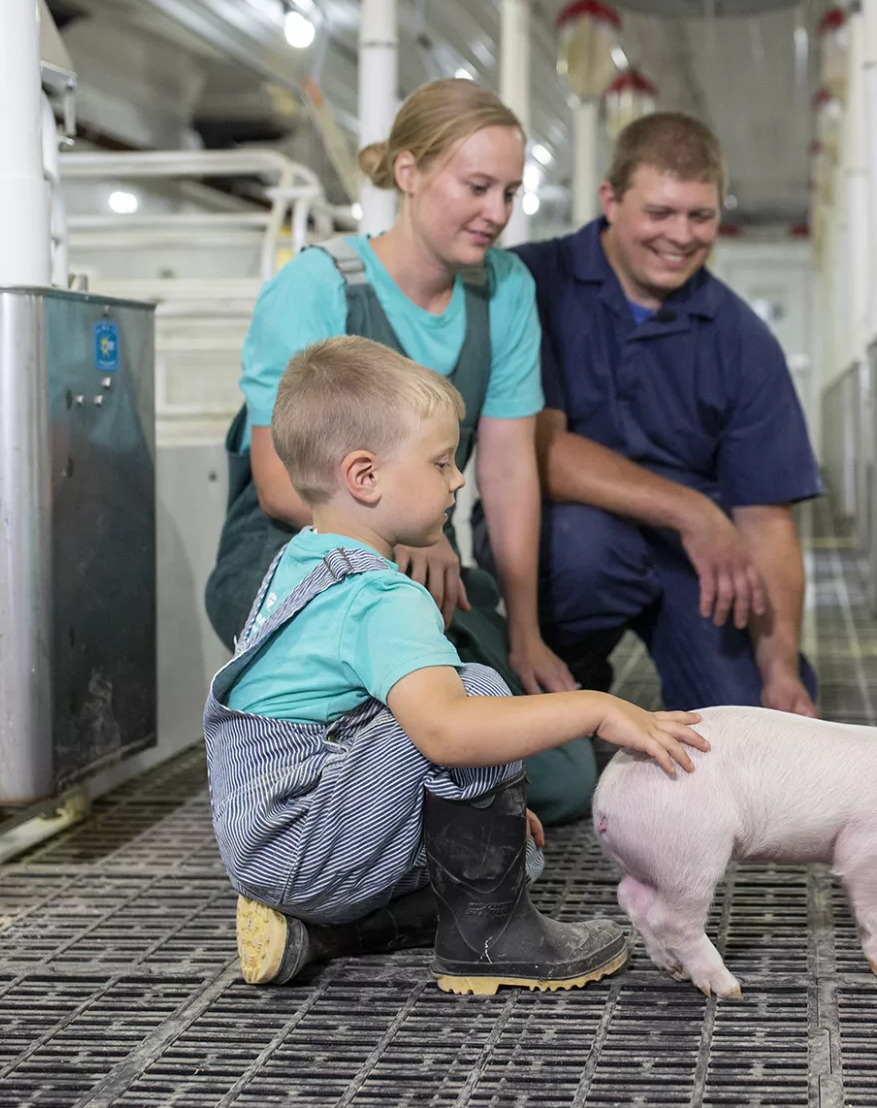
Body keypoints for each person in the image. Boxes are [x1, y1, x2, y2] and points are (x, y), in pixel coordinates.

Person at [205, 336, 707, 989]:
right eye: (441, 462)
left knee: (507, 852)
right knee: (476, 691)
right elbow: (446, 732)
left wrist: (478, 821)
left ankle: (320, 935)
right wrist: (598, 709)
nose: (459, 478)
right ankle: (491, 940)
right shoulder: (381, 599)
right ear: (365, 476)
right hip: (304, 840)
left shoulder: (303, 559)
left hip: (270, 836)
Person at [201, 78, 599, 824]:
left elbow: (511, 469)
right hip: (295, 552)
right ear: (409, 173)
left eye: (511, 192)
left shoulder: (504, 289)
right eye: (477, 186)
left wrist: (524, 631)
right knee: (447, 732)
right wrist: (413, 534)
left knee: (564, 778)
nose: (497, 214)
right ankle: (307, 804)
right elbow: (279, 481)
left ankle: (380, 791)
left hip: (420, 554)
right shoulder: (316, 285)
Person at [501, 113, 823, 717]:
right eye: (659, 213)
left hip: (697, 564)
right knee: (581, 548)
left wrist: (779, 670)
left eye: (700, 216)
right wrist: (692, 511)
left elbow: (765, 519)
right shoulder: (533, 283)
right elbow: (538, 450)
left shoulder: (743, 339)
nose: (681, 235)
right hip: (573, 545)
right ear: (610, 200)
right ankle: (574, 670)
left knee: (750, 721)